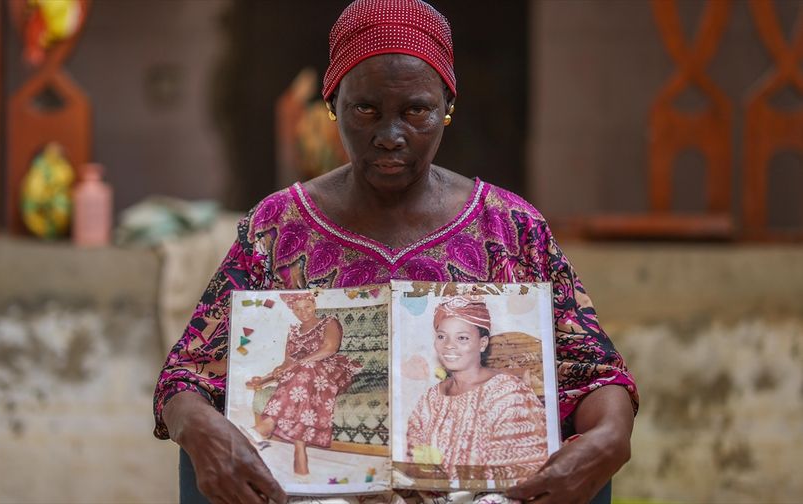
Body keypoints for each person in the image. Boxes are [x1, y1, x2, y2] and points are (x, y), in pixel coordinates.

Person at [153, 1, 639, 503]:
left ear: (447, 105)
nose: (390, 136)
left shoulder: (510, 228)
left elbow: (592, 369)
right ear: (332, 104)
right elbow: (188, 372)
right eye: (365, 109)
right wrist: (196, 426)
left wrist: (609, 437)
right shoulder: (277, 228)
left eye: (416, 111)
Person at [406, 296, 548, 481]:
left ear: (482, 343)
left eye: (462, 338)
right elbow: (412, 459)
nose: (449, 345)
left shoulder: (508, 392)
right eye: (442, 336)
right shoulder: (430, 399)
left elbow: (524, 470)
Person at [243, 292, 361, 477]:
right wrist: (271, 375)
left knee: (305, 369)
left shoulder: (329, 321)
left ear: (314, 305)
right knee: (302, 381)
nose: (303, 312)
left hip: (333, 371)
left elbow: (330, 348)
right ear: (293, 310)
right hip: (304, 376)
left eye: (307, 307)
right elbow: (287, 362)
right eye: (297, 309)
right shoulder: (294, 332)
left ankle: (269, 423)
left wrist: (297, 365)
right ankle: (300, 450)